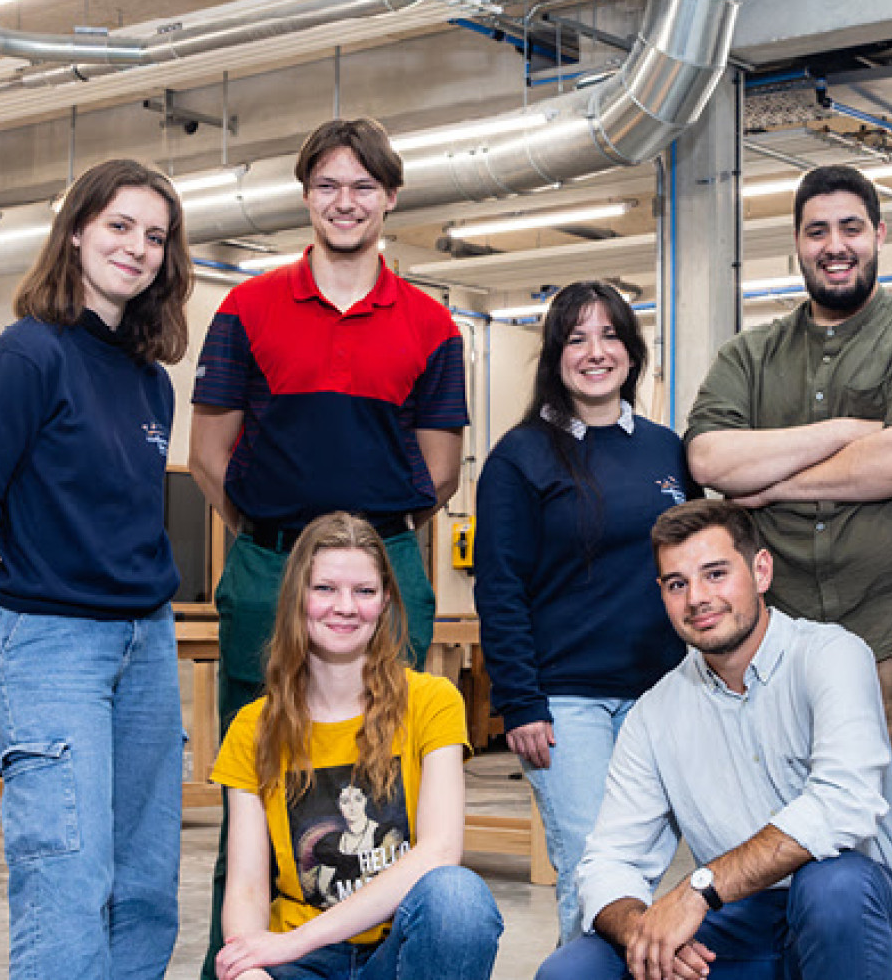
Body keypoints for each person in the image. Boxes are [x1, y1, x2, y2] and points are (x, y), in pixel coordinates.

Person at [191, 117, 469, 977]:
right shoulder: (246, 309)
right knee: (258, 775)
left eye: (362, 186)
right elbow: (208, 453)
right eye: (327, 186)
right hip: (269, 566)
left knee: (391, 768)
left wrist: (359, 557)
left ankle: (375, 956)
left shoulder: (431, 324)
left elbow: (441, 469)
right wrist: (285, 547)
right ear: (306, 195)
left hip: (390, 565)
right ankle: (238, 963)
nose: (344, 202)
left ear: (389, 197)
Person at [685, 165, 892, 978]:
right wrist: (842, 433)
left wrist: (766, 480)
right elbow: (706, 453)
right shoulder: (751, 354)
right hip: (783, 646)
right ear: (796, 244)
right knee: (783, 824)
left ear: (879, 236)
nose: (834, 247)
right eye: (816, 231)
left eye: (850, 228)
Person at [0, 158, 194, 979]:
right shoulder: (25, 358)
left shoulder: (152, 384)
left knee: (149, 879)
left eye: (156, 236)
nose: (138, 248)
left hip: (146, 644)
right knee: (67, 876)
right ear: (76, 229)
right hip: (49, 643)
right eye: (120, 225)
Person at [536, 499, 892, 980]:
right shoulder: (654, 715)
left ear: (761, 571)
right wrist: (647, 931)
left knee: (831, 885)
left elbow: (844, 803)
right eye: (677, 584)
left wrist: (699, 888)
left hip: (860, 925)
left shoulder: (832, 657)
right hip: (741, 929)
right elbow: (608, 862)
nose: (697, 598)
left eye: (716, 573)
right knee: (575, 971)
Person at [473, 280, 694, 943]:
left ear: (632, 351)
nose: (595, 352)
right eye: (576, 338)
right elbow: (500, 585)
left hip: (664, 695)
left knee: (642, 875)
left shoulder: (666, 449)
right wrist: (521, 701)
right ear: (555, 355)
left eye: (609, 336)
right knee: (593, 870)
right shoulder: (522, 456)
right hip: (566, 704)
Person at [211, 511, 502, 980]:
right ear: (296, 598)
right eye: (325, 588)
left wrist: (294, 939)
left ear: (385, 601)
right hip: (301, 966)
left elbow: (439, 852)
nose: (345, 607)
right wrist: (250, 969)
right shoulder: (252, 728)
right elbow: (245, 887)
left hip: (397, 951)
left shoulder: (432, 702)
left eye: (363, 591)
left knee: (457, 899)